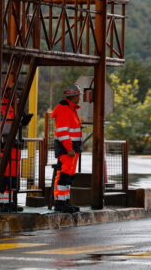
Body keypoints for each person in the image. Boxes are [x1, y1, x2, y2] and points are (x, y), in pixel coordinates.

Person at [51, 84, 83, 213]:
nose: (80, 97)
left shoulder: (71, 109)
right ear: (74, 96)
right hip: (67, 149)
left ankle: (65, 201)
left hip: (72, 148)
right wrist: (69, 148)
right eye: (79, 95)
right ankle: (60, 203)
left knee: (69, 176)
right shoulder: (64, 110)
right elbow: (62, 132)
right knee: (64, 175)